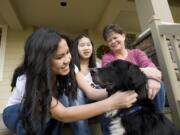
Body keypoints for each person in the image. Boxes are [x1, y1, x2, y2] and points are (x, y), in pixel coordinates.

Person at [2, 28, 138, 135]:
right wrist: (111, 102)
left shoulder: (71, 67)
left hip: (47, 112)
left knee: (64, 100)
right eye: (60, 56)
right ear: (42, 61)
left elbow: (91, 92)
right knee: (40, 108)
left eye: (67, 53)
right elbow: (62, 114)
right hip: (15, 114)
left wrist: (118, 90)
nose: (67, 59)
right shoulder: (29, 78)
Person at [101, 24, 166, 112]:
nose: (113, 41)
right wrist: (142, 73)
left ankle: (157, 118)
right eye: (109, 40)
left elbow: (154, 71)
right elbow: (111, 79)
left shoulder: (137, 53)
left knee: (159, 84)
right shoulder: (107, 58)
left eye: (115, 37)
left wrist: (154, 80)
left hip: (143, 93)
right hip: (123, 95)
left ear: (123, 36)